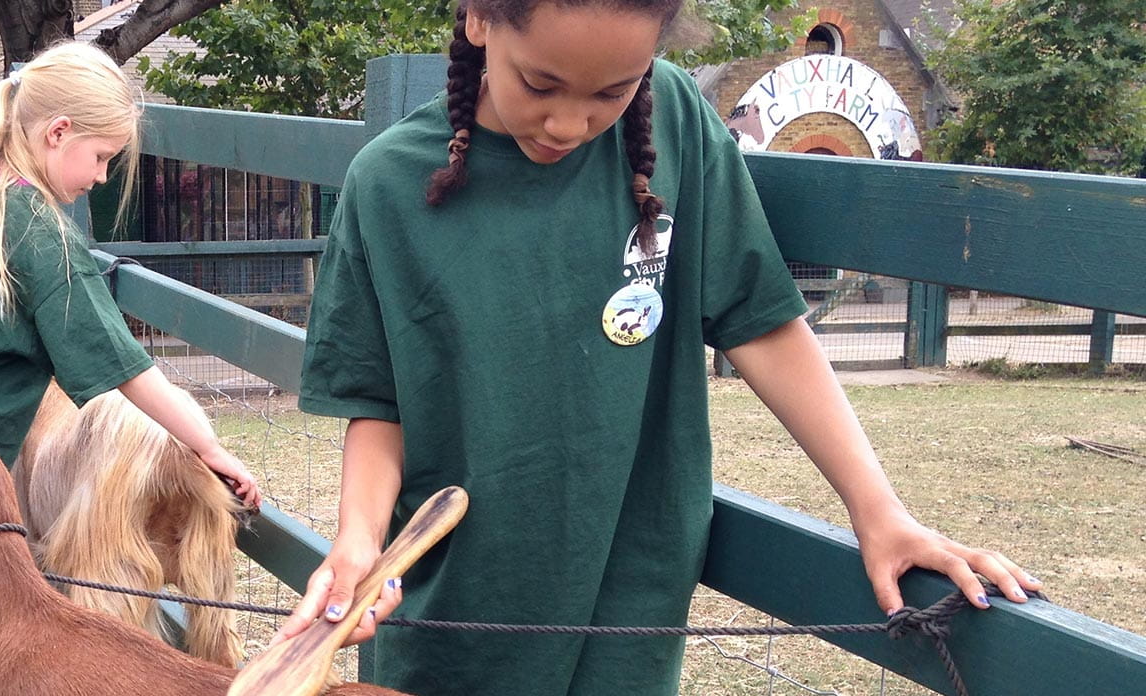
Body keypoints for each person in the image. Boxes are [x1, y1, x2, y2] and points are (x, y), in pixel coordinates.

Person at [272, 2, 1044, 693]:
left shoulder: (675, 121)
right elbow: (378, 404)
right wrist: (358, 540)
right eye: (540, 84)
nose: (569, 124)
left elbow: (761, 322)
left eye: (611, 92)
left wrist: (878, 511)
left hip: (628, 610)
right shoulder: (388, 185)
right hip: (453, 622)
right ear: (478, 17)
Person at [0, 41, 261, 696]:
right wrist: (209, 447)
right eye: (102, 157)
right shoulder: (41, 234)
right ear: (58, 133)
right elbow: (127, 368)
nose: (101, 177)